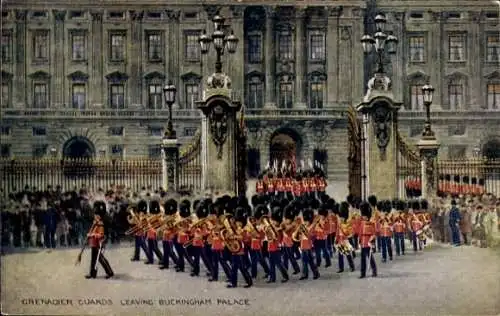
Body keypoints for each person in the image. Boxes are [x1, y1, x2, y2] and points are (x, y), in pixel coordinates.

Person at [85, 203, 114, 279]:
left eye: (96, 216)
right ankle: (92, 273)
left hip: (100, 243)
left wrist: (91, 235)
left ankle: (110, 272)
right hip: (94, 243)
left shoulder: (100, 224)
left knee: (100, 258)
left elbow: (100, 235)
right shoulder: (95, 223)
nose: (95, 217)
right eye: (95, 215)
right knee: (94, 258)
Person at [359, 201, 377, 279]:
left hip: (368, 242)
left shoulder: (371, 223)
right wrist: (359, 241)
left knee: (370, 258)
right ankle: (362, 273)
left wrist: (371, 241)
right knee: (362, 259)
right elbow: (360, 232)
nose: (364, 217)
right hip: (362, 242)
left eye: (365, 216)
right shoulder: (362, 223)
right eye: (363, 216)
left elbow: (373, 234)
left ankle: (374, 271)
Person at [336, 202, 355, 273]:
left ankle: (352, 266)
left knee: (347, 254)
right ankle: (341, 268)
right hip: (340, 240)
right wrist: (336, 239)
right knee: (340, 255)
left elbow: (350, 233)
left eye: (342, 218)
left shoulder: (348, 224)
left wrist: (348, 235)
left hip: (345, 240)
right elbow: (338, 231)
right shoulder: (339, 223)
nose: (341, 219)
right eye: (340, 217)